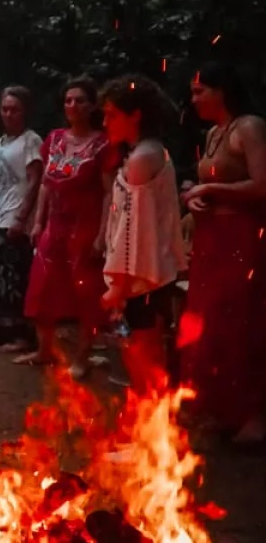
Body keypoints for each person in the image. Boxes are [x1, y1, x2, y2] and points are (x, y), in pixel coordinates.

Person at [179, 62, 266, 443]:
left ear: (222, 91)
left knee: (242, 320)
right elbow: (203, 186)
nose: (193, 99)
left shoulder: (249, 127)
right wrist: (192, 196)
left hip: (242, 238)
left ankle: (253, 416)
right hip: (211, 240)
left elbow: (263, 185)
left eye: (200, 91)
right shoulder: (214, 133)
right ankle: (221, 407)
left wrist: (211, 193)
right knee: (210, 323)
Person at [19, 78, 117, 373]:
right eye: (68, 100)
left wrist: (102, 234)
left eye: (80, 100)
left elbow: (109, 191)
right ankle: (44, 350)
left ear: (92, 106)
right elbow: (47, 184)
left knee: (85, 292)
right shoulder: (55, 138)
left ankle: (81, 356)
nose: (72, 105)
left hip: (84, 226)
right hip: (55, 224)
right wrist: (38, 221)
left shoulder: (104, 144)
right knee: (42, 285)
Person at [99, 74, 186, 394]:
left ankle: (152, 431)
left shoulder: (143, 158)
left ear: (135, 115)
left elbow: (134, 231)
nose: (105, 121)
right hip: (148, 276)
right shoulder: (148, 152)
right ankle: (146, 430)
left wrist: (118, 288)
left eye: (111, 114)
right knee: (140, 354)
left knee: (143, 355)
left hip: (141, 279)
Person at [0, 86, 43, 353]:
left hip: (14, 217)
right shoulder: (2, 142)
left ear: (24, 111)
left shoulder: (31, 141)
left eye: (14, 109)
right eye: (5, 108)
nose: (8, 114)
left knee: (14, 278)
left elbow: (35, 181)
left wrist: (21, 217)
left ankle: (21, 335)